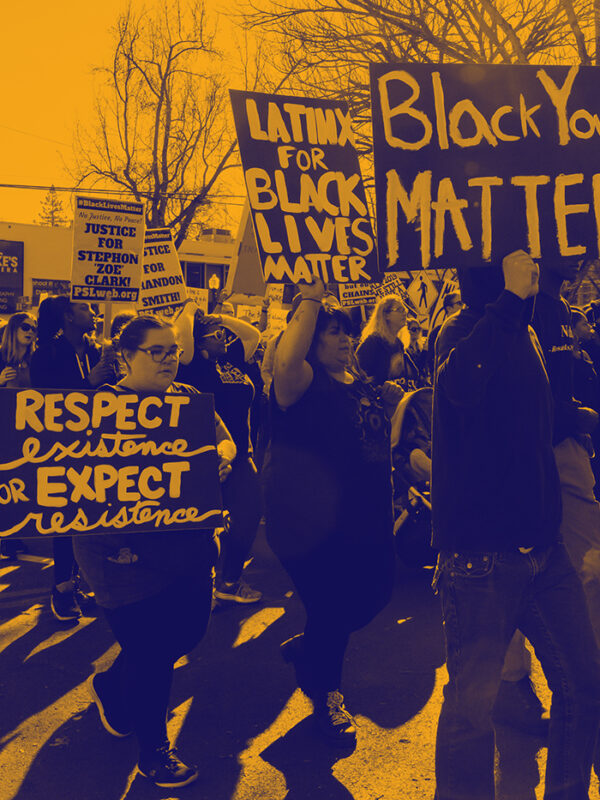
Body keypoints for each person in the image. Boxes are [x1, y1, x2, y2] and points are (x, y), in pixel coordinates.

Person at [432, 249, 600, 799]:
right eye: (517, 258)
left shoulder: (525, 328)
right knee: (471, 710)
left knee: (583, 682)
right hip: (482, 558)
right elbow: (460, 387)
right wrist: (507, 304)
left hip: (541, 552)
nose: (531, 266)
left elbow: (534, 427)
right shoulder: (460, 330)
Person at [74, 315, 236, 789]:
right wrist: (109, 549)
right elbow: (73, 486)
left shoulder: (187, 400)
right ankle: (154, 753)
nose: (171, 360)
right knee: (151, 653)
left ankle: (110, 687)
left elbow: (223, 438)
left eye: (174, 350)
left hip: (188, 548)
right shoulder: (96, 408)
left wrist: (222, 458)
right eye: (158, 351)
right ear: (125, 355)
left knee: (184, 635)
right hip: (121, 559)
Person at [264, 277, 400, 746]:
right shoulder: (299, 381)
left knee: (375, 592)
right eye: (333, 331)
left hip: (365, 516)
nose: (345, 339)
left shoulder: (357, 378)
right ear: (310, 336)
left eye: (348, 331)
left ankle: (309, 651)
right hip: (310, 522)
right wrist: (312, 298)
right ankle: (327, 694)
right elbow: (285, 357)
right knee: (329, 605)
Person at [30, 296, 118, 622]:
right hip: (62, 449)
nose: (93, 312)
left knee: (90, 516)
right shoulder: (47, 354)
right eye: (85, 308)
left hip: (97, 447)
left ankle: (80, 583)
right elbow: (47, 406)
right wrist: (89, 383)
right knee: (66, 519)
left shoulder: (96, 351)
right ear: (68, 316)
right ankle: (62, 588)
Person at [177, 308, 263, 604]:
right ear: (199, 342)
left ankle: (229, 580)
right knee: (202, 527)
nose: (225, 337)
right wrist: (191, 309)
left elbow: (253, 335)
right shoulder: (191, 366)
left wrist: (218, 318)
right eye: (217, 335)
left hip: (242, 454)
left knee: (249, 514)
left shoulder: (231, 359)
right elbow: (185, 332)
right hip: (207, 458)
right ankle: (199, 587)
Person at [0, 311, 37, 559]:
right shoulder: (1, 356)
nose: (31, 331)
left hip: (26, 432)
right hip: (3, 428)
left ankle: (13, 536)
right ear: (13, 329)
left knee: (18, 485)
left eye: (34, 327)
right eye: (25, 326)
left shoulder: (38, 359)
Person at [356, 295, 420, 390]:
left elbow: (414, 374)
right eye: (399, 310)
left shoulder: (398, 343)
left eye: (404, 310)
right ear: (386, 315)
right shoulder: (372, 343)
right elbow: (359, 377)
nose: (405, 314)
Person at [426, 291, 463, 377]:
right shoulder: (437, 332)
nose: (463, 306)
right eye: (459, 303)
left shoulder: (467, 328)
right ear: (449, 308)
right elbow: (431, 360)